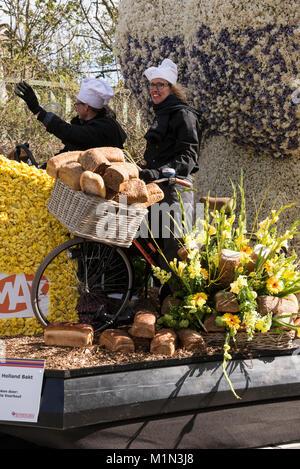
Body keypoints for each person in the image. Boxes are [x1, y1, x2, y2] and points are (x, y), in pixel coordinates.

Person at [139, 58, 203, 272]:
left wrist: (159, 171)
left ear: (171, 87)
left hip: (176, 187)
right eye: (152, 85)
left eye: (160, 85)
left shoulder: (183, 114)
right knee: (156, 245)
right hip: (158, 188)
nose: (155, 89)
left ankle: (177, 302)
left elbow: (189, 155)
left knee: (175, 249)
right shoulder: (162, 114)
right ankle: (161, 300)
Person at [14, 78, 127, 154]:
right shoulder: (85, 123)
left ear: (86, 107)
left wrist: (38, 111)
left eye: (77, 104)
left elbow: (70, 133)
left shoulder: (105, 128)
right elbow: (70, 150)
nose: (76, 108)